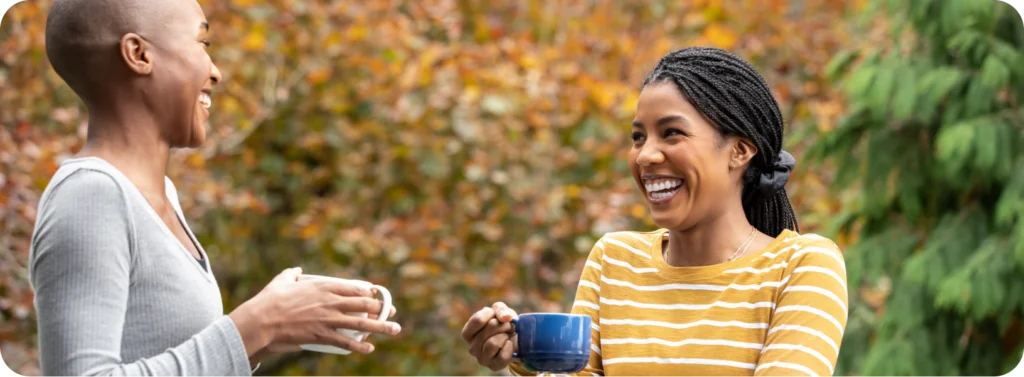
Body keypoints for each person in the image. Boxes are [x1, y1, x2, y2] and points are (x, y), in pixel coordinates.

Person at [29, 0, 401, 376]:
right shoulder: (91, 195)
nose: (216, 72)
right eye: (202, 44)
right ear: (138, 54)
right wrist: (256, 325)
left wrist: (266, 337)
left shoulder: (161, 195)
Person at [462, 47, 848, 377]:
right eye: (638, 137)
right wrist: (525, 357)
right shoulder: (614, 261)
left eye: (672, 133)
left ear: (739, 151)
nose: (645, 155)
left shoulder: (802, 266)